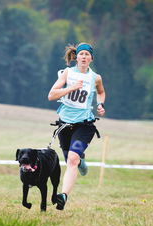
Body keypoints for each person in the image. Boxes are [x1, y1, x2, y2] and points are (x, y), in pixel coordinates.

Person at [48, 43, 106, 210]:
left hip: (84, 124)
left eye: (87, 54)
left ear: (91, 59)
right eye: (81, 54)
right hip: (65, 124)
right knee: (71, 160)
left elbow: (101, 92)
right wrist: (71, 88)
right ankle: (81, 162)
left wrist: (100, 104)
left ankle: (63, 196)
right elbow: (51, 95)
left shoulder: (96, 78)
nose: (84, 57)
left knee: (71, 160)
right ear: (76, 57)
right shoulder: (68, 73)